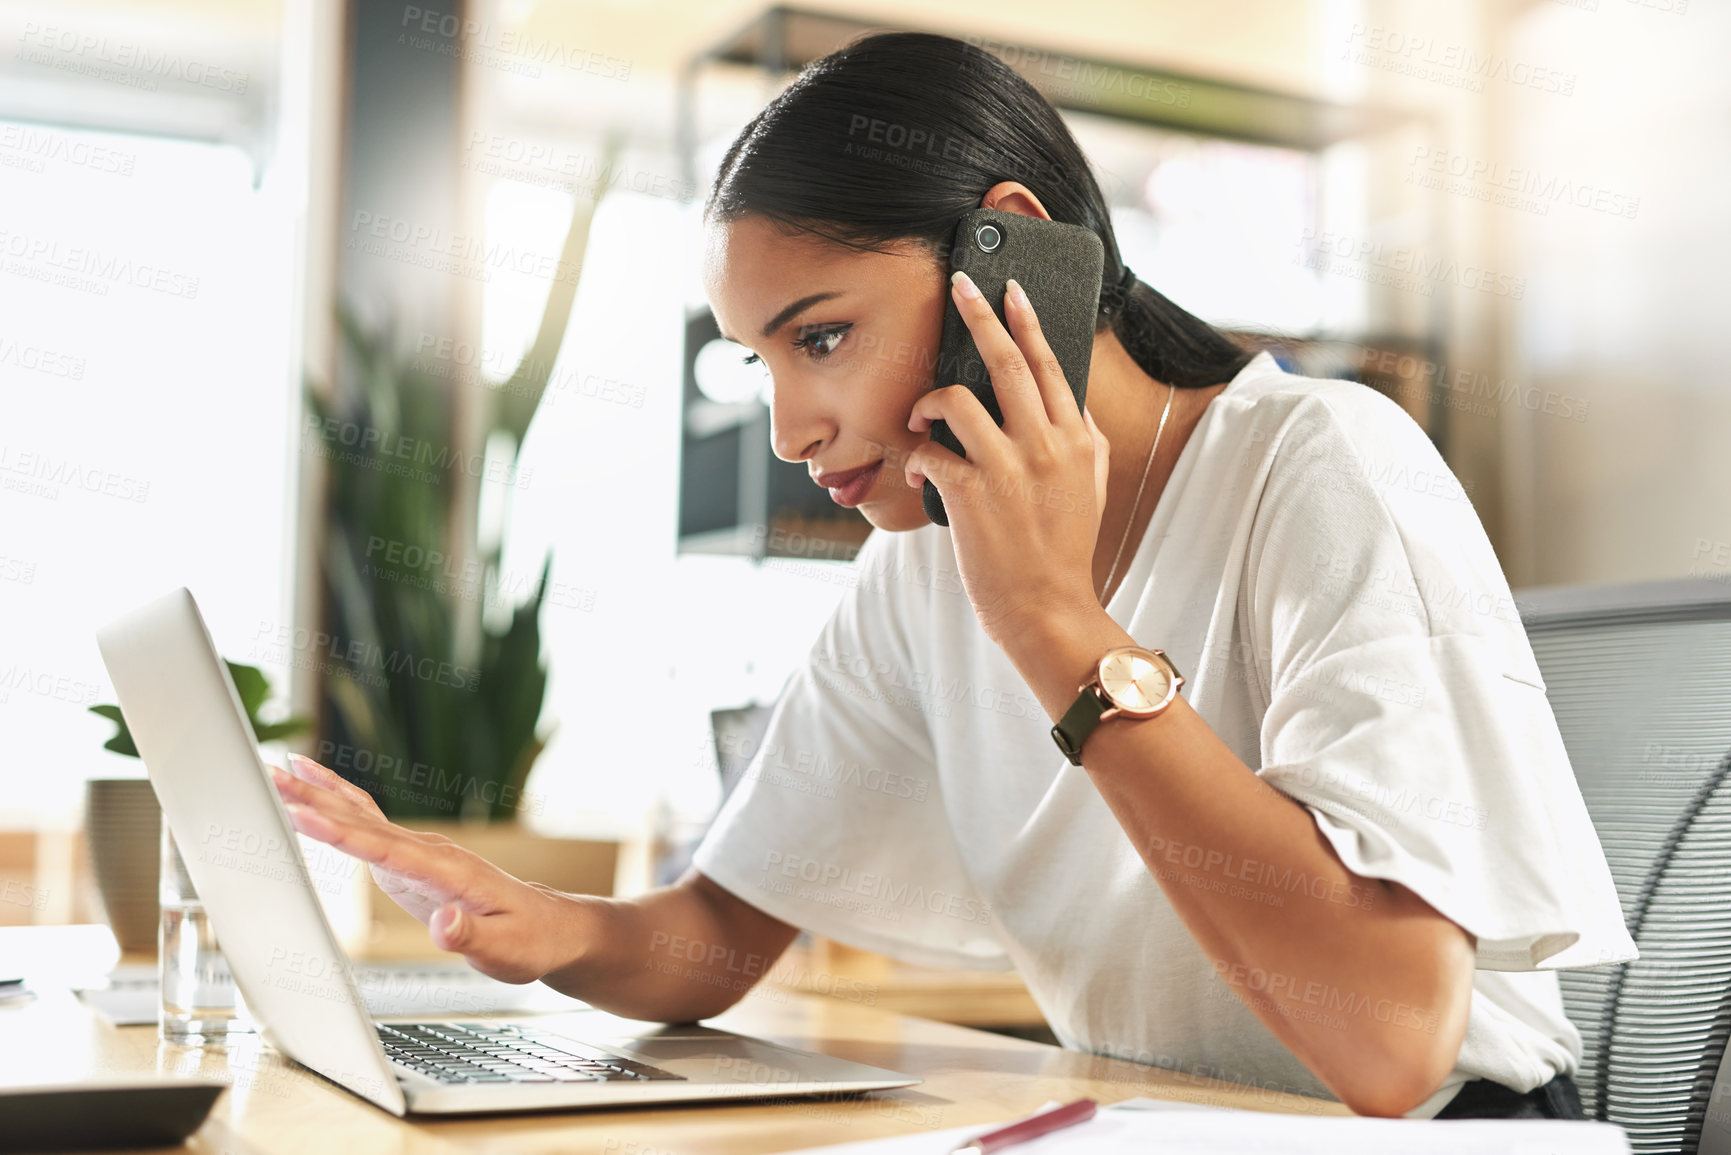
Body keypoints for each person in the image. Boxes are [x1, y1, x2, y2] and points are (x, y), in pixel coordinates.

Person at [271, 31, 1635, 1120]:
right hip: (1168, 1122)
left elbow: (1393, 1045)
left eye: (822, 339)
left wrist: (1053, 622)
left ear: (1013, 252)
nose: (791, 429)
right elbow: (722, 935)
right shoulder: (921, 564)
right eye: (759, 362)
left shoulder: (1323, 466)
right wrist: (544, 926)